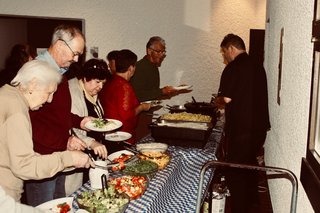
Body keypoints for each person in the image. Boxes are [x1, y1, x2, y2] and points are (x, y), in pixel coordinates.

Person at [0, 60, 92, 202]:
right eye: (49, 93)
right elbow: (24, 166)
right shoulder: (17, 111)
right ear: (33, 84)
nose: (50, 100)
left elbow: (14, 154)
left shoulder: (7, 94)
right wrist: (69, 158)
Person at [25, 24, 94, 206]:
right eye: (75, 53)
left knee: (59, 206)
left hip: (59, 154)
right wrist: (65, 142)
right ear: (60, 45)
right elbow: (30, 124)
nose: (77, 59)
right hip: (42, 159)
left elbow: (57, 114)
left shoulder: (60, 72)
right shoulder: (36, 72)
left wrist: (81, 122)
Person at [216, 33, 271, 213]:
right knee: (250, 166)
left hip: (241, 129)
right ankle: (254, 205)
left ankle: (239, 208)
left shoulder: (233, 68)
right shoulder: (258, 65)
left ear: (231, 48)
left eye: (224, 52)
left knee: (236, 171)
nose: (224, 56)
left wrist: (217, 101)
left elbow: (227, 98)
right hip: (259, 129)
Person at [66, 58, 110, 195]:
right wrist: (93, 143)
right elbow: (71, 129)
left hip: (92, 152)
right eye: (97, 82)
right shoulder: (72, 93)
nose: (101, 87)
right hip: (79, 152)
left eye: (103, 83)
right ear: (85, 78)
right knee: (74, 192)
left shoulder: (93, 93)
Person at [100, 49, 151, 144]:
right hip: (122, 135)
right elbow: (126, 114)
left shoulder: (110, 81)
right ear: (131, 68)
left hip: (110, 132)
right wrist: (142, 107)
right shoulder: (124, 86)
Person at [130, 36, 177, 102]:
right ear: (149, 51)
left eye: (163, 52)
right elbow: (138, 95)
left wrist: (173, 90)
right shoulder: (140, 67)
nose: (161, 55)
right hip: (138, 111)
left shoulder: (153, 66)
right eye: (158, 52)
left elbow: (151, 93)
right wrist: (162, 91)